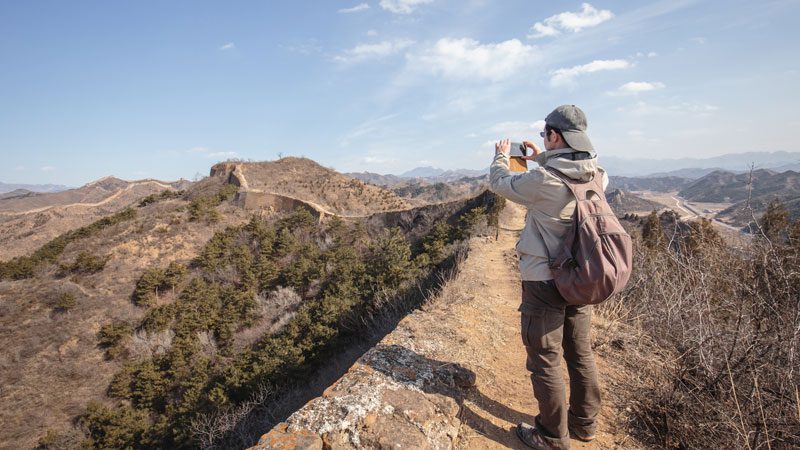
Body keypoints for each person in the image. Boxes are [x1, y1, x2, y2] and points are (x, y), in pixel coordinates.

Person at [489, 105, 608, 450]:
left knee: (545, 358)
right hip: (582, 278)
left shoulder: (543, 181)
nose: (543, 140)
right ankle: (585, 425)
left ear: (555, 136)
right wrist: (544, 156)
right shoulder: (599, 174)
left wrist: (501, 157)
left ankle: (552, 436)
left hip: (544, 281)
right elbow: (567, 173)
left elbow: (501, 183)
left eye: (546, 135)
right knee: (579, 352)